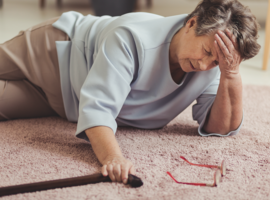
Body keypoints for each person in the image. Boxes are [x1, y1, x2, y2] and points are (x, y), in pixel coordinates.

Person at [0, 0, 260, 185]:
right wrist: (113, 157)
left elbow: (220, 127)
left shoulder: (214, 65)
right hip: (54, 52)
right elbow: (98, 110)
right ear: (191, 23)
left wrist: (230, 73)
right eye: (205, 52)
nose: (204, 65)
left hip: (63, 102)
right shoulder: (131, 37)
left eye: (215, 62)